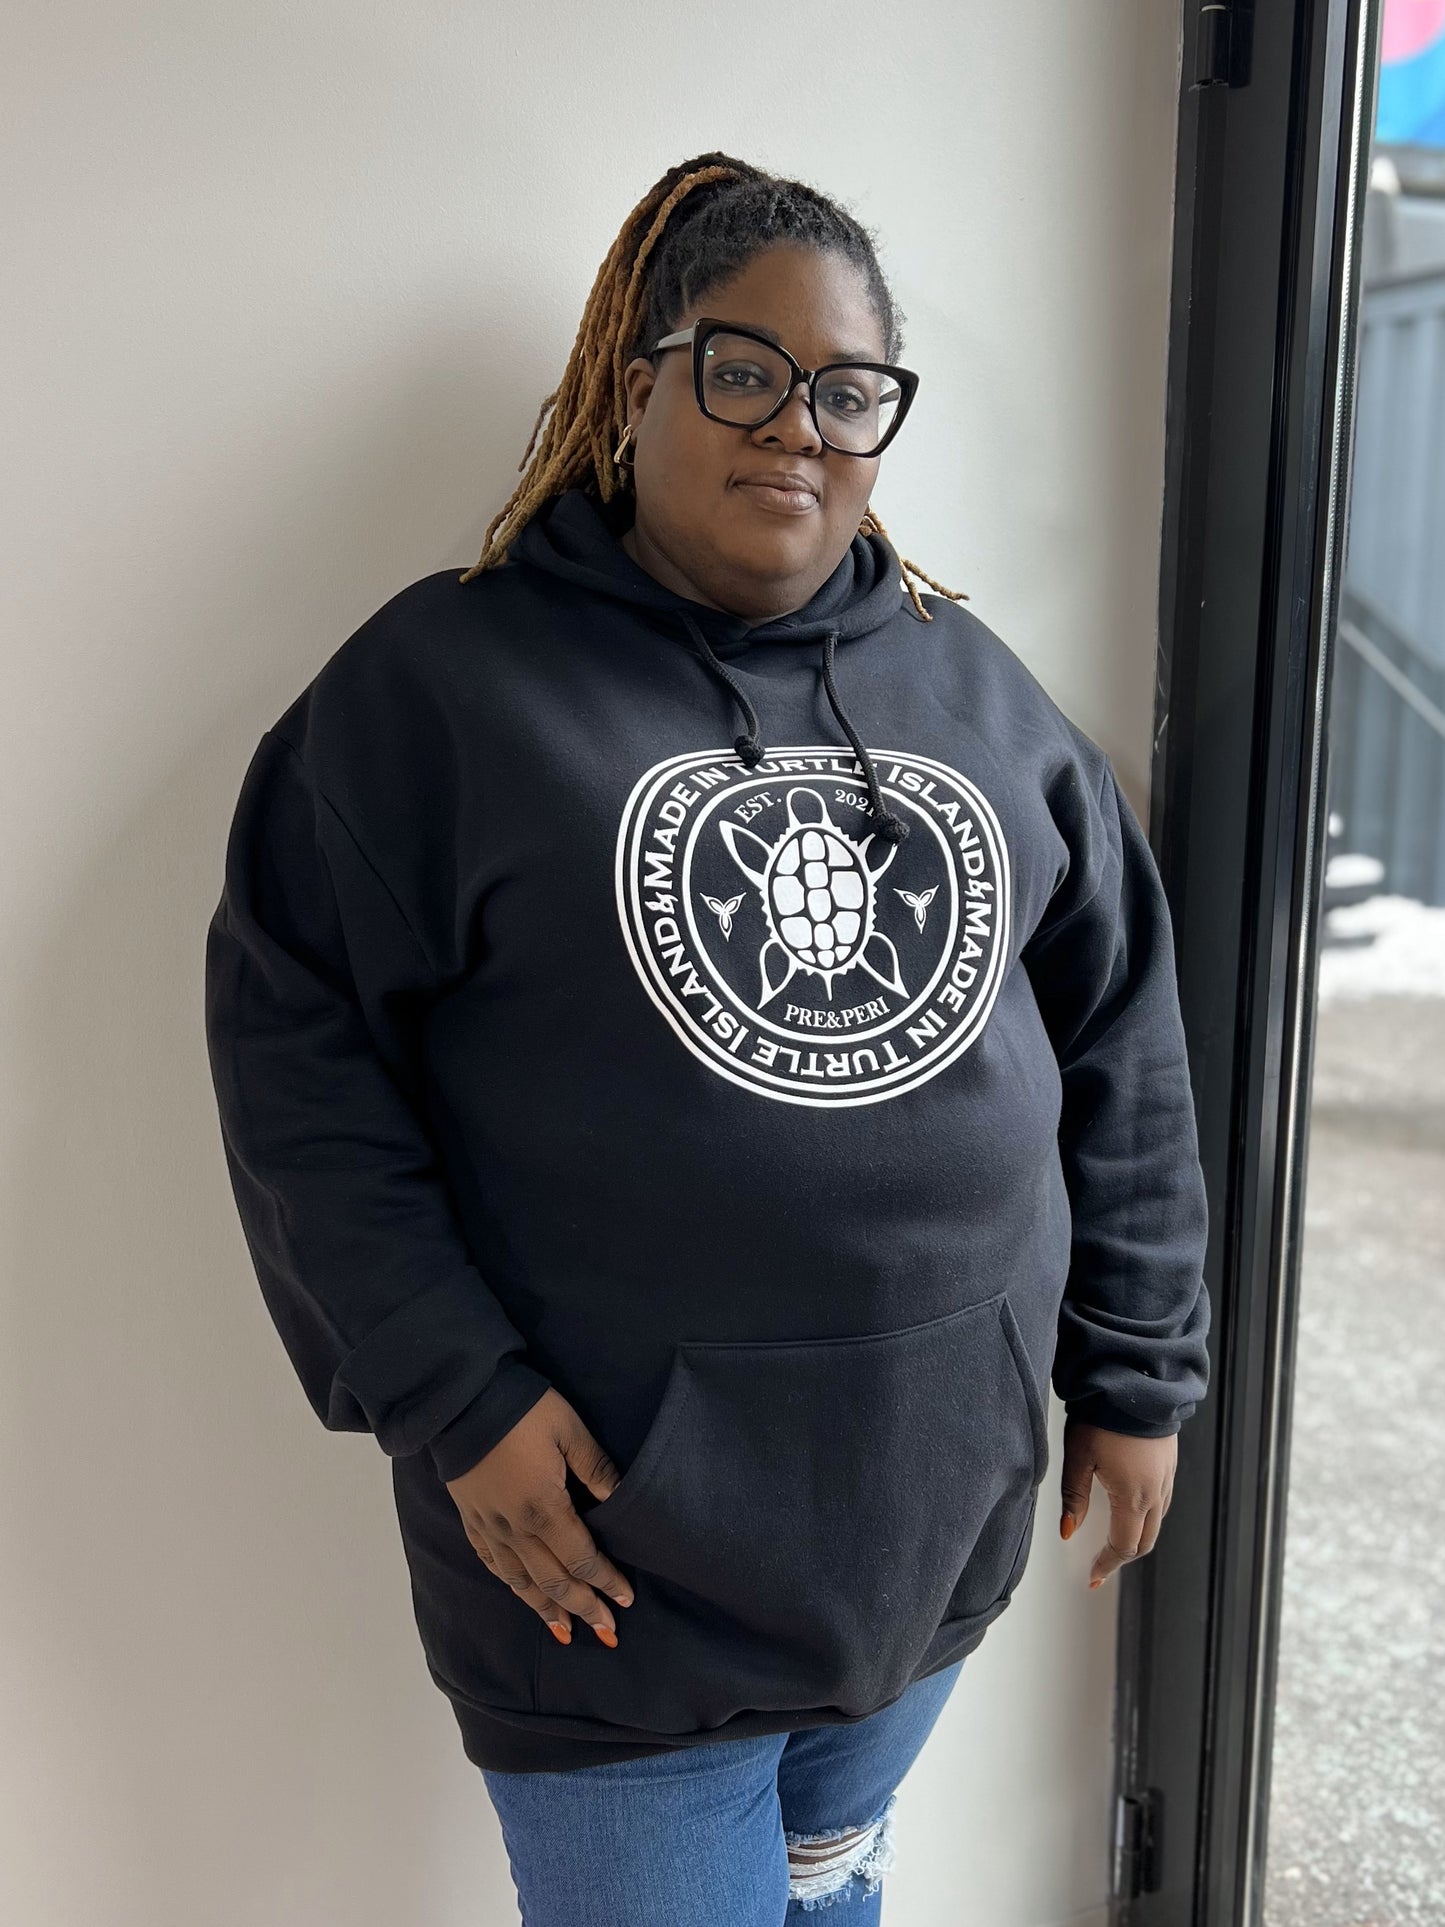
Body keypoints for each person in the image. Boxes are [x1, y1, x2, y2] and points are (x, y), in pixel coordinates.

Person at [203, 153, 1211, 1923]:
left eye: (846, 392)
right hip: (606, 1568)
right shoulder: (441, 692)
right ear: (634, 379)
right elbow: (300, 1071)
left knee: (832, 1891)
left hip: (923, 1535)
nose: (796, 429)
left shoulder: (968, 686)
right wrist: (457, 1392)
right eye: (741, 371)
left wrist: (1137, 1369)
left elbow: (1118, 1029)